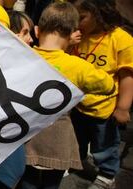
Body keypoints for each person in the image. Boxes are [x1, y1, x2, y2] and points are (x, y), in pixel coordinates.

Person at [17, 2, 116, 189]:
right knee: (51, 185)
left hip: (24, 137)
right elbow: (108, 85)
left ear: (37, 31)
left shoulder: (24, 56)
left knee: (26, 182)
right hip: (57, 141)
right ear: (72, 34)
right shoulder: (78, 67)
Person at [69, 0, 133, 188]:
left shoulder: (121, 40)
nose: (76, 23)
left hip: (105, 109)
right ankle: (77, 163)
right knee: (77, 139)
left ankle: (106, 176)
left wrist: (123, 108)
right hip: (79, 105)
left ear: (98, 13)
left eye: (81, 18)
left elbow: (127, 77)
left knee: (105, 145)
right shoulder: (79, 35)